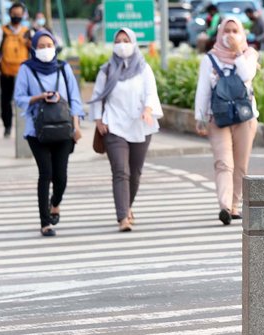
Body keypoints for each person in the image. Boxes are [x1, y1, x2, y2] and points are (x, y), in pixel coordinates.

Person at [89, 28, 163, 232]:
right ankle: (123, 216)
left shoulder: (144, 68)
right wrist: (98, 120)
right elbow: (97, 96)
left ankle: (128, 206)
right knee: (121, 171)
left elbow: (151, 92)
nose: (122, 44)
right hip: (114, 125)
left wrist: (148, 109)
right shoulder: (106, 70)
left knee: (135, 173)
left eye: (126, 40)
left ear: (134, 42)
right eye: (118, 41)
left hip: (140, 125)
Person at [14, 30, 83, 237]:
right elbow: (19, 98)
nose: (46, 50)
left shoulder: (63, 68)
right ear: (34, 48)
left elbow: (75, 99)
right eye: (41, 46)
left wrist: (77, 126)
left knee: (60, 176)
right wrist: (39, 97)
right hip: (38, 131)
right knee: (46, 173)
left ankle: (55, 203)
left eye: (49, 45)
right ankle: (45, 222)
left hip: (63, 129)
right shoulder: (26, 69)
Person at [194, 17, 259, 226]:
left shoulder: (249, 55)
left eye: (235, 30)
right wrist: (200, 117)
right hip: (218, 117)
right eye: (226, 31)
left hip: (245, 117)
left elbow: (246, 75)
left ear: (242, 33)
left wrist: (238, 51)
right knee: (223, 163)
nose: (230, 35)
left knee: (241, 165)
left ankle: (234, 206)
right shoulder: (210, 58)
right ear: (220, 33)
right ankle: (224, 206)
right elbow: (203, 89)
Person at [0, 2, 32, 138]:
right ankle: (7, 126)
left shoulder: (27, 32)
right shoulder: (2, 31)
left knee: (24, 101)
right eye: (14, 14)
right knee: (5, 101)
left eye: (19, 14)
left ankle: (25, 127)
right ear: (10, 14)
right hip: (6, 72)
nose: (16, 17)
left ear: (23, 15)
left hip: (23, 74)